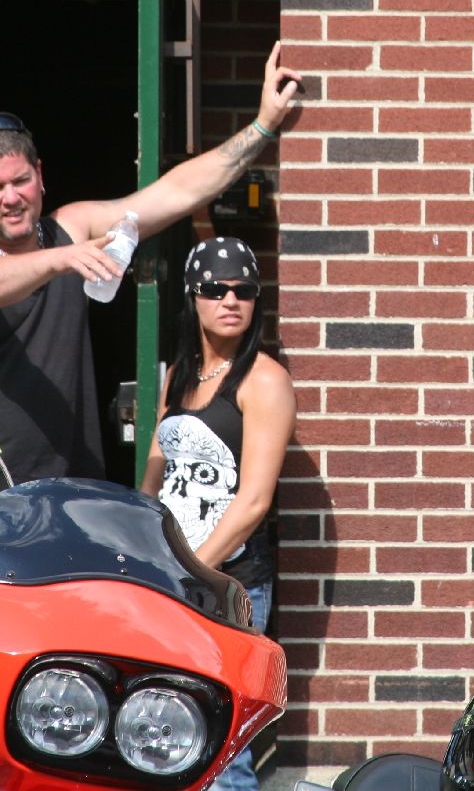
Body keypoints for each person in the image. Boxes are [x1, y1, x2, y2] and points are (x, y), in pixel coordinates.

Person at [0, 41, 302, 491]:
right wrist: (60, 259)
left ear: (40, 174)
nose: (12, 197)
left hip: (74, 492)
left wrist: (263, 125)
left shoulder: (69, 227)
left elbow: (175, 194)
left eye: (21, 181)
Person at [141, 237, 294, 791]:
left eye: (244, 290)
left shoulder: (264, 379)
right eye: (214, 288)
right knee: (166, 736)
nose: (230, 300)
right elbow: (153, 480)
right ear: (193, 297)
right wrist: (145, 561)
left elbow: (253, 501)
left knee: (220, 748)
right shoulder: (180, 376)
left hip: (228, 587)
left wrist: (192, 574)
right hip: (171, 581)